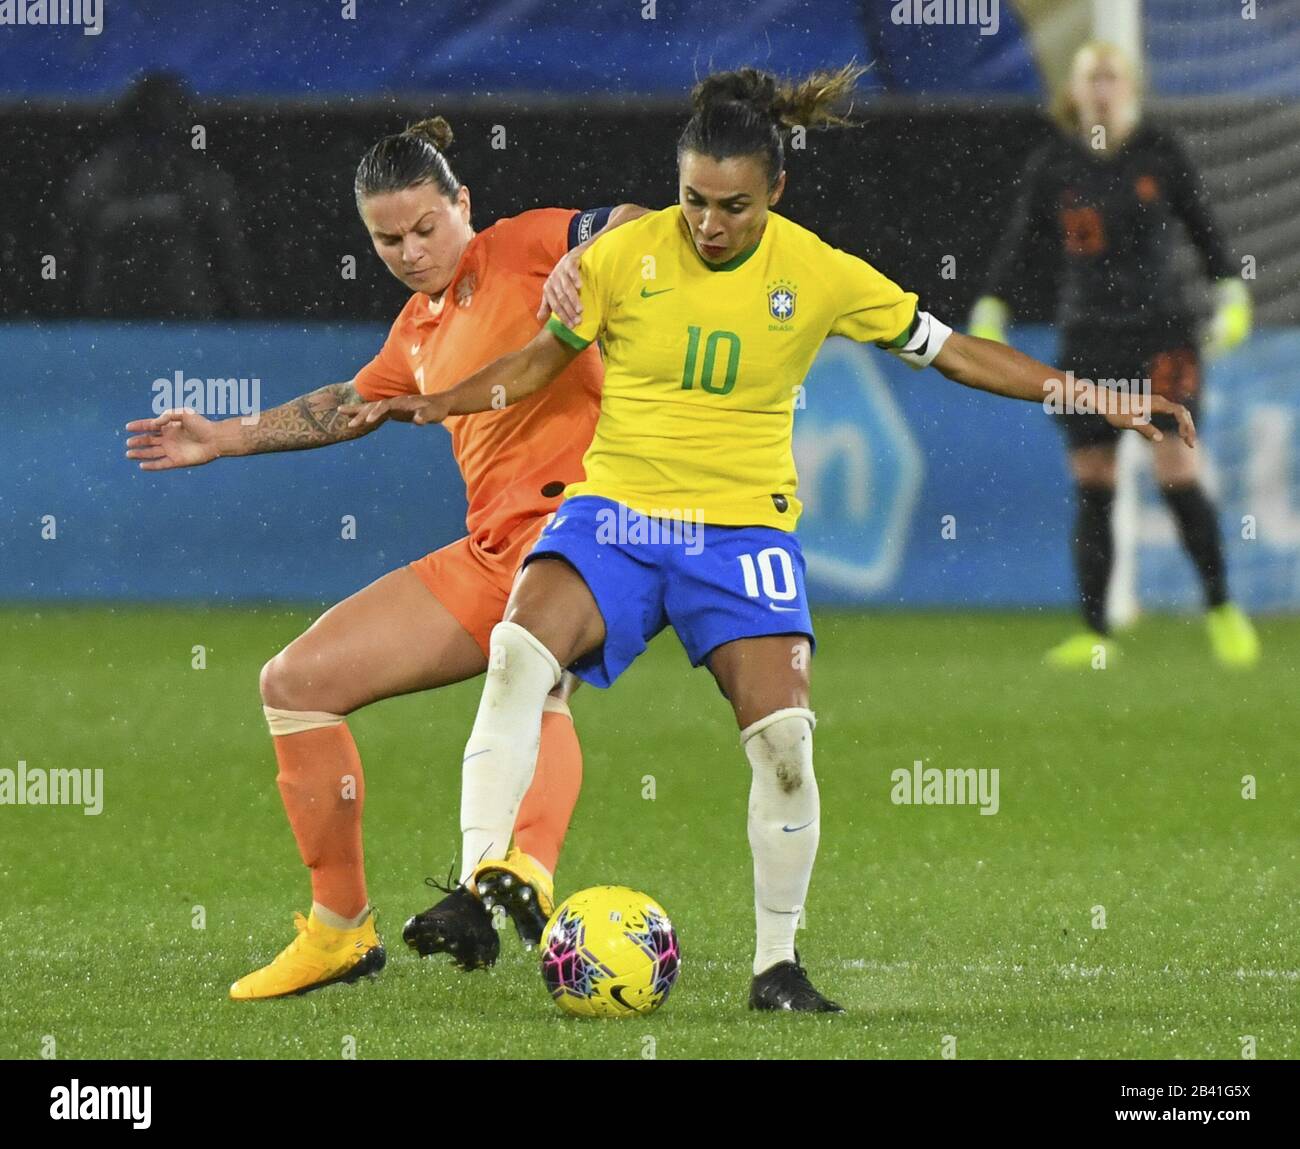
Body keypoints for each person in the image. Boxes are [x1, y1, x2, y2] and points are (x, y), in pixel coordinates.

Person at [344, 67, 1194, 1011]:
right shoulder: (623, 260)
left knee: (785, 743)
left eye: (734, 206)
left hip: (741, 531)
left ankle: (776, 967)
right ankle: (474, 888)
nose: (709, 223)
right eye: (694, 200)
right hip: (618, 515)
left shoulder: (819, 272)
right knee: (516, 653)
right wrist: (442, 400)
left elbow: (954, 349)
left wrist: (1098, 395)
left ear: (775, 192)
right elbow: (538, 361)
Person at [124, 116, 646, 998]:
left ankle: (523, 871)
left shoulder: (524, 245)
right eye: (386, 237)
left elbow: (639, 219)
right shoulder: (416, 327)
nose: (408, 249)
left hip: (585, 535)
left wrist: (586, 254)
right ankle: (339, 931)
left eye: (424, 228)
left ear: (464, 206)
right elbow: (348, 404)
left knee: (535, 683)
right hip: (491, 553)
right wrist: (227, 438)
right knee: (295, 684)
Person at [969, 40, 1259, 668]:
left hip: (1162, 336)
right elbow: (1020, 246)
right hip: (1088, 338)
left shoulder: (1160, 151)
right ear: (1073, 92)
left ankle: (1221, 608)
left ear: (1130, 85)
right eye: (1089, 77)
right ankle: (1096, 633)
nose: (1101, 87)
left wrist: (1231, 291)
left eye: (1111, 75)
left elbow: (1205, 230)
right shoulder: (1054, 164)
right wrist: (993, 304)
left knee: (1178, 474)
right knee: (1093, 483)